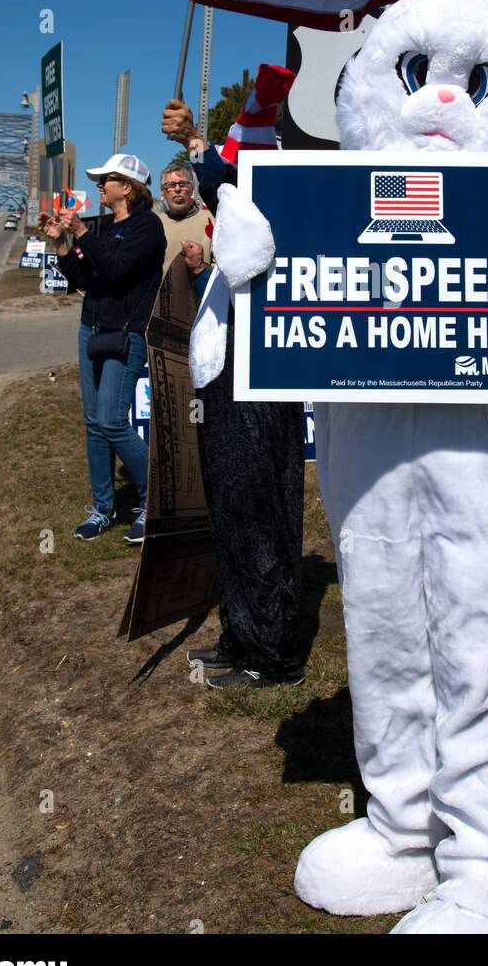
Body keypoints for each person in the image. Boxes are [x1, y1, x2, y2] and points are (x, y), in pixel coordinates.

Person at [160, 65, 306, 689]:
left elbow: (225, 183)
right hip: (227, 383)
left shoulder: (273, 223)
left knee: (260, 516)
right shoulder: (239, 242)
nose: (218, 193)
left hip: (260, 383)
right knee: (233, 514)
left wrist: (198, 141)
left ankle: (272, 656)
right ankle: (240, 633)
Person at [41, 154, 166, 544]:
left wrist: (80, 231)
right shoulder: (105, 227)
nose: (99, 186)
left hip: (125, 332)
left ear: (127, 187)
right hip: (90, 328)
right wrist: (63, 243)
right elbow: (84, 278)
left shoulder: (147, 227)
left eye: (106, 180)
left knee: (112, 420)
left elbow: (114, 270)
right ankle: (103, 508)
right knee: (94, 423)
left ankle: (155, 501)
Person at [155, 156, 214, 277]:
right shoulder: (154, 224)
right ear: (162, 191)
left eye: (183, 184)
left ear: (192, 188)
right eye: (171, 185)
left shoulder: (212, 219)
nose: (177, 189)